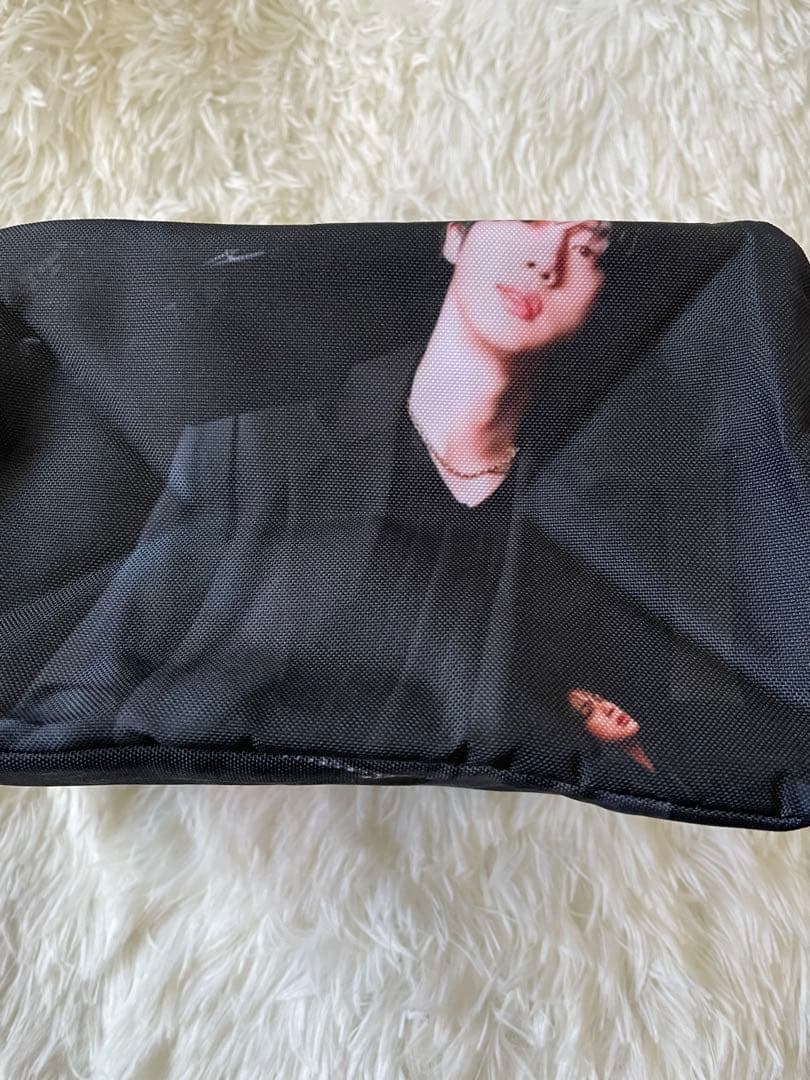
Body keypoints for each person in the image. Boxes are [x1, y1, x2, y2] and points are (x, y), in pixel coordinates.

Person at [6, 219, 807, 820]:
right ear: (457, 236)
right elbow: (86, 685)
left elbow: (705, 726)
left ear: (602, 297)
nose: (546, 262)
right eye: (531, 224)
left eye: (589, 251)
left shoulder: (619, 514)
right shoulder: (254, 452)